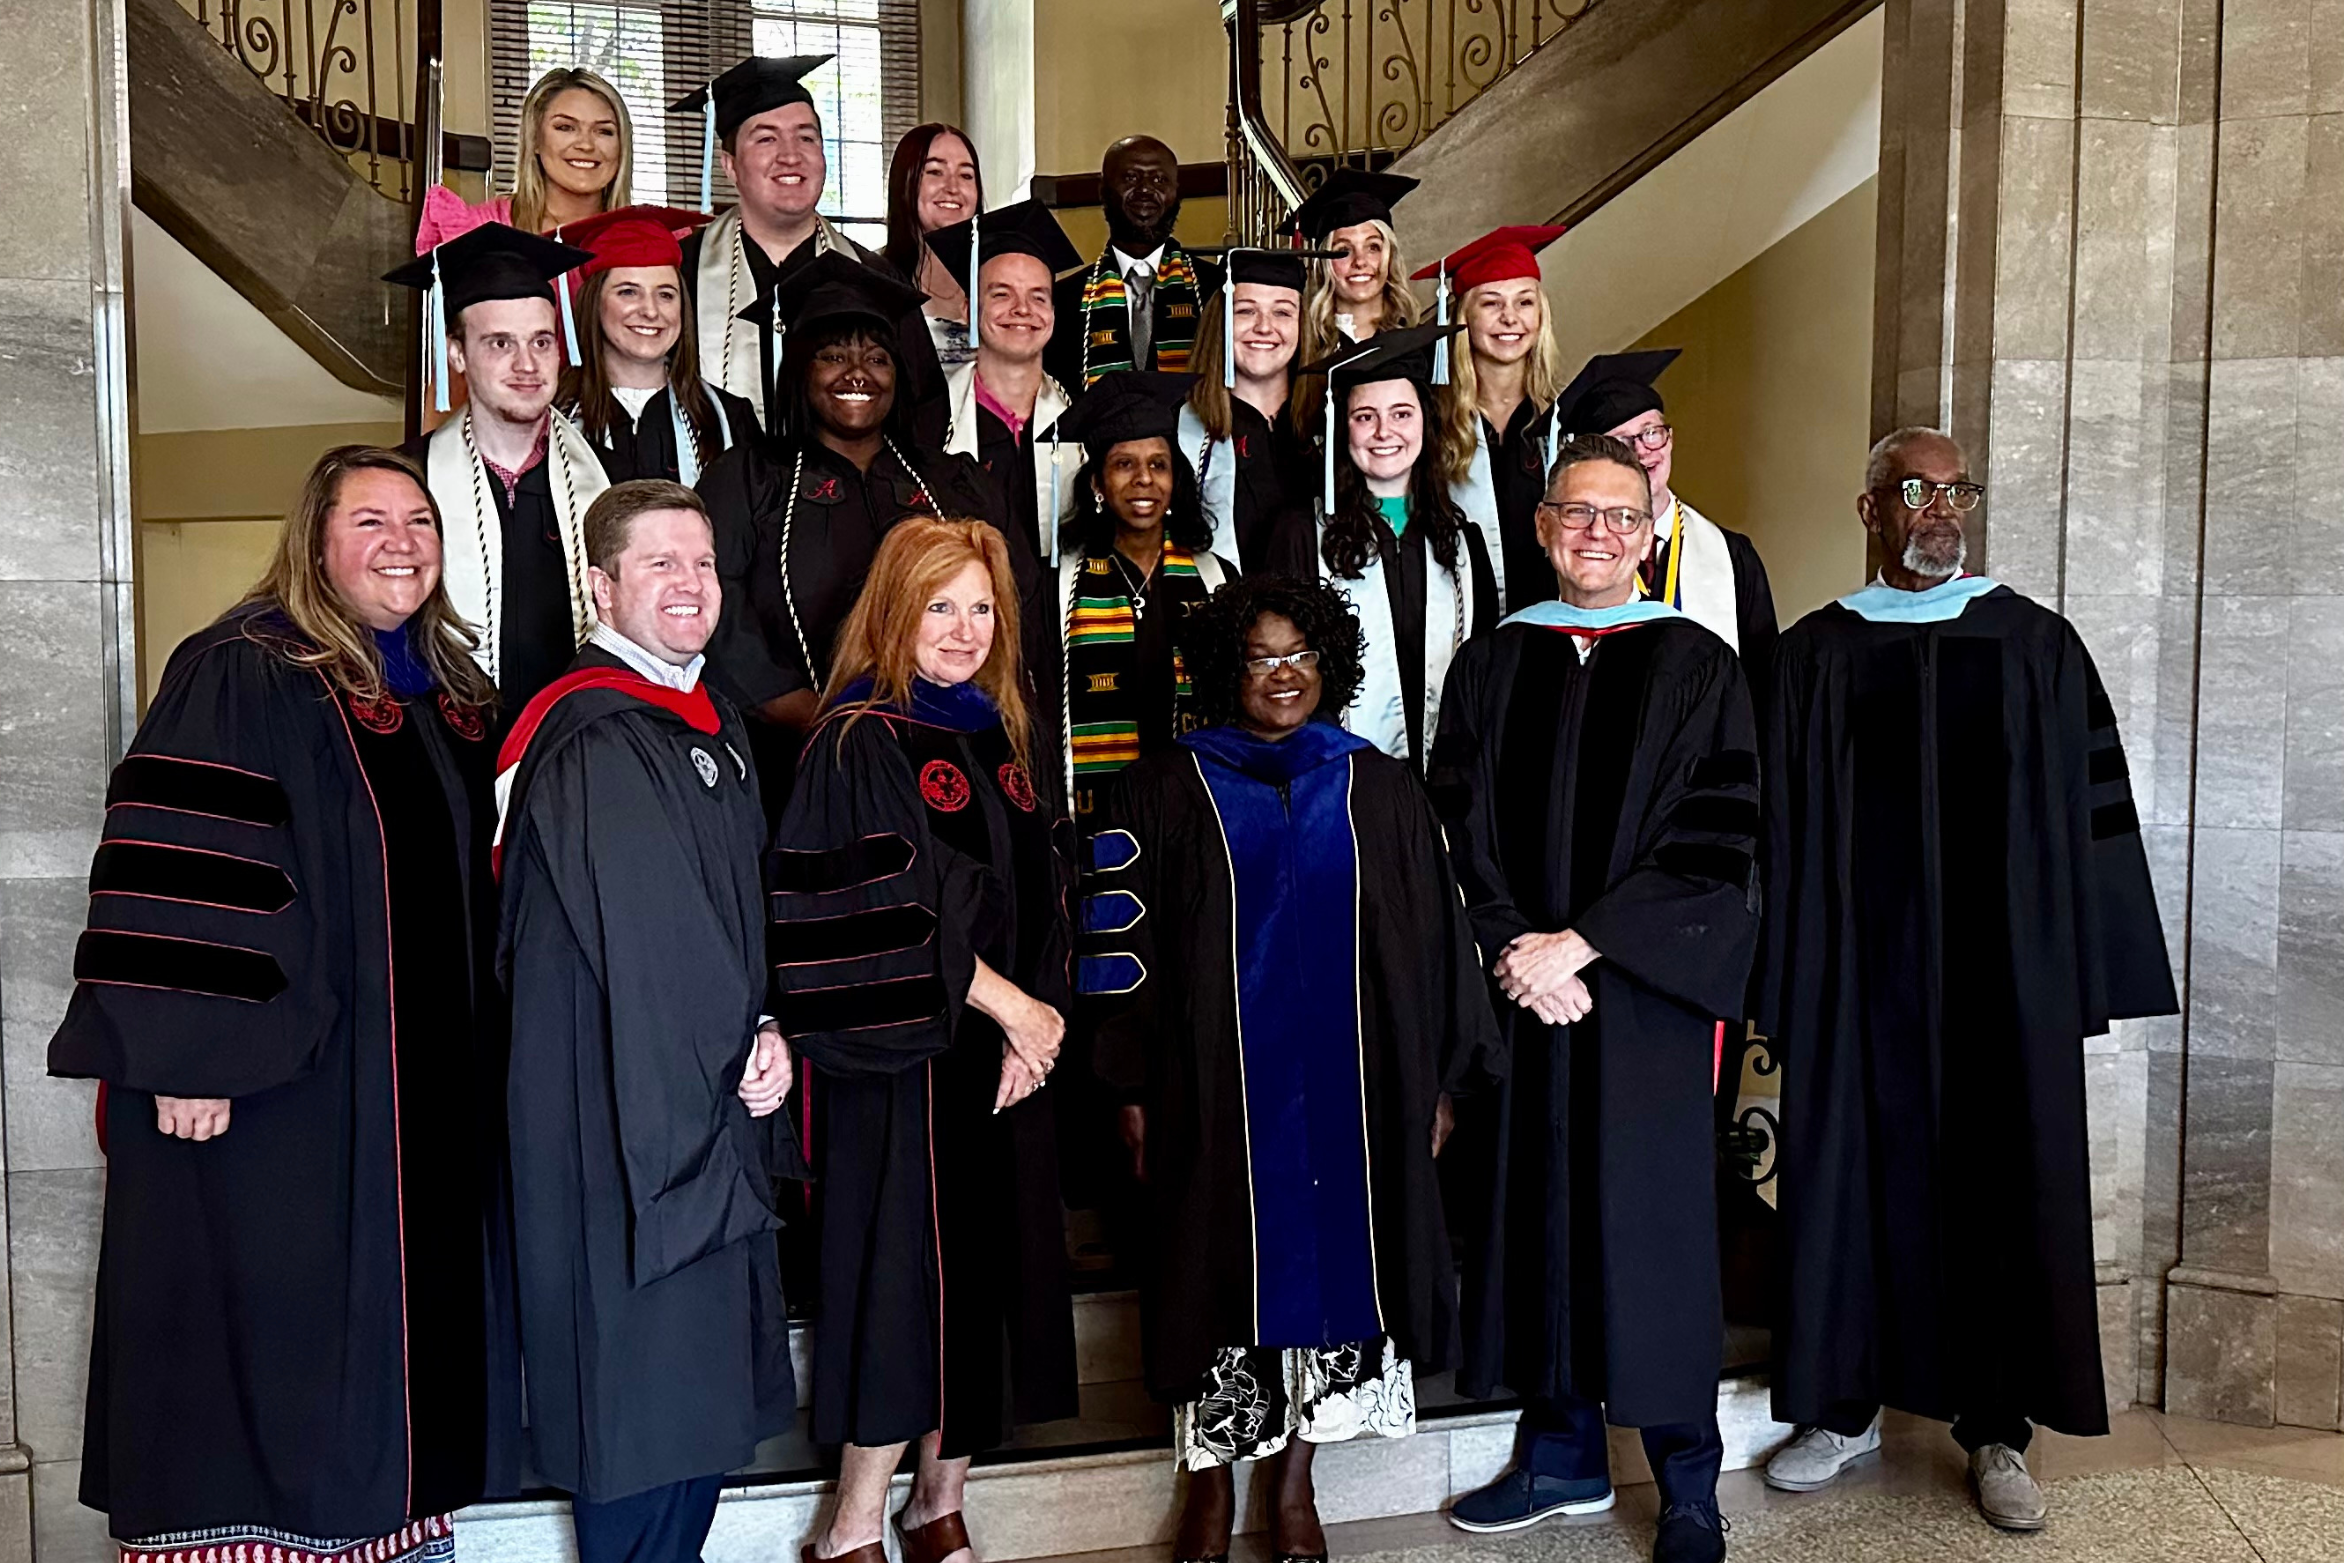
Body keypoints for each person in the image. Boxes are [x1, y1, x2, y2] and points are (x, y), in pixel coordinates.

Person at [49, 446, 511, 1563]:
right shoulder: (246, 669)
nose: (401, 541)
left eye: (419, 520)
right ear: (314, 541)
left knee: (400, 1331)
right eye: (369, 522)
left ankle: (399, 1534)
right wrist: (190, 1055)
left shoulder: (449, 695)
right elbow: (186, 863)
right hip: (280, 1093)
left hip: (420, 1100)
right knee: (276, 1320)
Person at [1758, 428, 2178, 1533]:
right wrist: (1784, 977)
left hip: (2002, 985)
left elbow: (2090, 825)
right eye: (1914, 491)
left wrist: (2070, 974)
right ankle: (1842, 1410)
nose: (1938, 511)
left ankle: (1997, 1429)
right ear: (1870, 513)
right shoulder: (1813, 655)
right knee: (1846, 1176)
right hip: (1859, 981)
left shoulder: (2036, 644)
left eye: (1954, 492)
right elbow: (1778, 838)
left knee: (2000, 1185)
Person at [1084, 575, 1500, 1563]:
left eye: (1302, 656)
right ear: (1228, 667)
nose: (1284, 676)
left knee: (1336, 1285)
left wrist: (1436, 1082)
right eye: (1263, 657)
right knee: (1209, 1279)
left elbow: (1437, 946)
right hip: (1213, 1096)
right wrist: (1132, 1083)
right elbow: (1114, 949)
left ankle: (1296, 1486)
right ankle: (1207, 1490)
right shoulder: (1160, 788)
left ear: (1330, 666)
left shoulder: (1380, 788)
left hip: (1355, 1102)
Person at [1434, 434, 1760, 1563]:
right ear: (1540, 526)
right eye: (1576, 513)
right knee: (1539, 1219)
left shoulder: (1696, 666)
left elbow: (1721, 845)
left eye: (1622, 518)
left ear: (1650, 532)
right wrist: (1512, 948)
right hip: (1524, 993)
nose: (1597, 536)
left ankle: (1686, 1483)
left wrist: (1587, 944)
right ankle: (1561, 1457)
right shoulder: (1490, 663)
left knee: (1652, 1229)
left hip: (1640, 1001)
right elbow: (1452, 832)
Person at [495, 479, 796, 1563]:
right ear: (600, 585)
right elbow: (649, 936)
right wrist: (743, 1040)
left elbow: (732, 923)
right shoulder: (588, 732)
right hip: (617, 1113)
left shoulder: (704, 723)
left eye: (703, 564)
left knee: (693, 1407)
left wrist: (766, 1024)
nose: (688, 584)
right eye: (659, 564)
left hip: (702, 1092)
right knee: (634, 1403)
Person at [768, 516, 1077, 1563]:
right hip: (901, 1064)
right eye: (939, 606)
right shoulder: (860, 737)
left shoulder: (1000, 735)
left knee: (989, 1277)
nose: (962, 630)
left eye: (981, 608)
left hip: (1003, 1064)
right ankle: (850, 1523)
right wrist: (1014, 1013)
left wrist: (1033, 1034)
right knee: (900, 1284)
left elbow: (1043, 897)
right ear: (895, 612)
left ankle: (937, 1503)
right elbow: (884, 905)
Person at [699, 253, 1029, 810]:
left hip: (948, 757)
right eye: (832, 356)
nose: (857, 373)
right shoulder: (749, 482)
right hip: (794, 762)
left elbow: (1011, 606)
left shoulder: (952, 483)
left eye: (877, 358)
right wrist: (819, 715)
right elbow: (717, 610)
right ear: (800, 368)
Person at [385, 222, 612, 714]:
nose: (527, 365)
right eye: (500, 344)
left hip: (576, 745)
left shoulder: (607, 480)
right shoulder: (404, 482)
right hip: (444, 746)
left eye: (541, 342)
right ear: (456, 353)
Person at [671, 55, 945, 433]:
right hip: (713, 487)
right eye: (766, 138)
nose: (790, 155)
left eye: (806, 137)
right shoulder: (678, 275)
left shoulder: (876, 281)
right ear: (730, 165)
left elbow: (922, 413)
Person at [1272, 322, 1496, 770]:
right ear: (1342, 428)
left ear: (1425, 424)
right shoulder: (1301, 533)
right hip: (1338, 776)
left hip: (1449, 777)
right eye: (1364, 416)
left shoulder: (1463, 540)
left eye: (1401, 414)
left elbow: (1484, 670)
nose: (1383, 432)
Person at [1052, 371, 1237, 823]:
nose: (1143, 480)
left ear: (1175, 480)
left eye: (1158, 465)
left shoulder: (1217, 580)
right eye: (1123, 464)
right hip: (1100, 812)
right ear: (1096, 483)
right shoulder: (1060, 587)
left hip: (1198, 810)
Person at [1554, 351, 1777, 700]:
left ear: (1669, 439)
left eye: (1651, 433)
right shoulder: (1568, 555)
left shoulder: (1732, 557)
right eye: (1621, 442)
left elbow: (1762, 683)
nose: (1643, 451)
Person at [1412, 225, 1570, 613]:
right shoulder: (1430, 421)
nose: (1510, 318)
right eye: (1491, 303)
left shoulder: (1561, 422)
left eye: (1524, 302)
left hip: (1551, 626)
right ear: (1464, 316)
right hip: (1458, 626)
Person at [926, 199, 1085, 563]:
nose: (1022, 310)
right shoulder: (931, 424)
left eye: (1038, 297)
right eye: (1002, 294)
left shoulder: (1082, 424)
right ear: (969, 310)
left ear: (1053, 314)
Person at [557, 204, 761, 485]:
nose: (651, 311)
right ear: (594, 304)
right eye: (628, 292)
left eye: (666, 295)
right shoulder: (555, 415)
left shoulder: (728, 419)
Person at [1178, 247, 1318, 569]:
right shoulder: (1182, 435)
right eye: (1245, 311)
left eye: (1282, 312)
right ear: (1221, 321)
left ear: (1301, 325)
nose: (1264, 327)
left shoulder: (1326, 428)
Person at [1048, 135, 1223, 390]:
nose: (1145, 189)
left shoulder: (1216, 289)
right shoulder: (1064, 302)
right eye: (1130, 177)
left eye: (1159, 179)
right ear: (1103, 191)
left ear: (1177, 193)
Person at [415, 66, 632, 248]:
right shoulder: (482, 229)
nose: (586, 144)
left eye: (604, 131)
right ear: (535, 139)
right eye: (565, 127)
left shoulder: (647, 239)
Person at [1288, 168, 1422, 360]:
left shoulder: (1419, 346)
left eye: (1373, 247)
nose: (1360, 261)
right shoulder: (1300, 349)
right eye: (1344, 250)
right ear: (1324, 265)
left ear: (1390, 256)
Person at [884, 123, 986, 366]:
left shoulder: (994, 278)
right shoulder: (876, 281)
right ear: (905, 182)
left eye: (966, 175)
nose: (952, 188)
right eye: (935, 172)